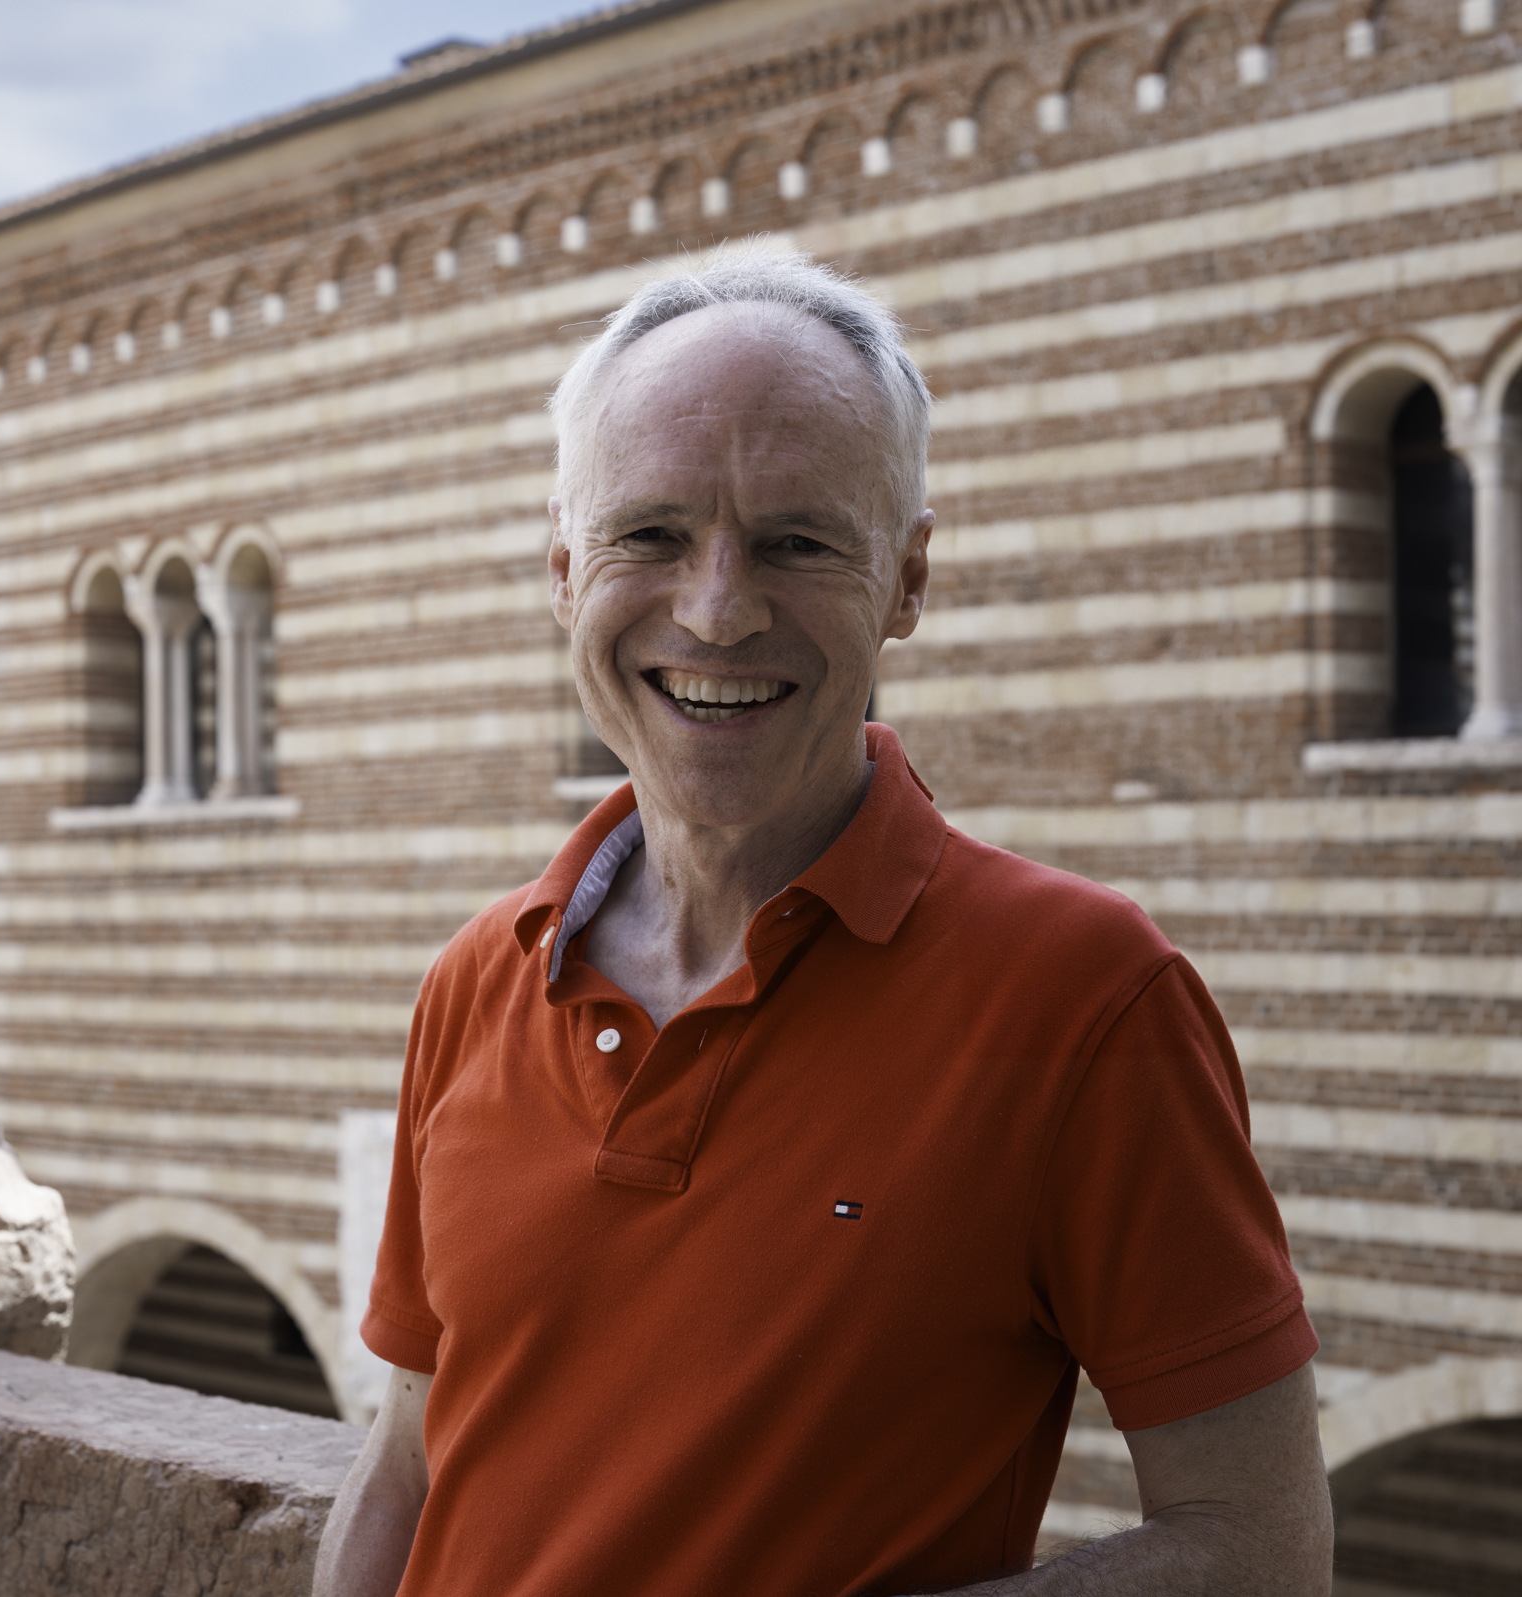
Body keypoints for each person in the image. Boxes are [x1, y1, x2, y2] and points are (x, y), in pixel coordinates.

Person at [313, 242, 1331, 1596]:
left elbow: (1259, 1547)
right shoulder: (476, 977)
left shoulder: (1088, 995)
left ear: (907, 581)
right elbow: (406, 1464)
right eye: (652, 535)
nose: (719, 609)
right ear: (566, 571)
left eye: (797, 542)